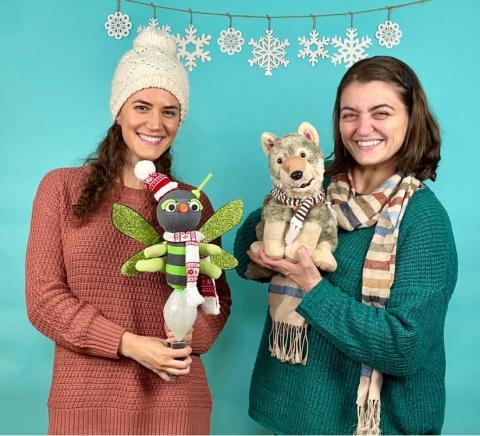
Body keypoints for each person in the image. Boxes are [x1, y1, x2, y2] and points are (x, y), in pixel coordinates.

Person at [234, 56, 457, 435]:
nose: (363, 128)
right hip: (295, 412)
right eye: (350, 114)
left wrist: (313, 288)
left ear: (410, 118)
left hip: (373, 423)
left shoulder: (423, 220)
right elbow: (242, 252)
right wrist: (263, 247)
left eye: (381, 113)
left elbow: (404, 347)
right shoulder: (318, 182)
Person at [25, 27, 231, 435]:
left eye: (169, 111)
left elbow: (217, 298)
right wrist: (130, 344)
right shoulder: (62, 188)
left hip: (177, 402)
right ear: (118, 110)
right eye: (142, 106)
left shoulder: (192, 204)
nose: (156, 123)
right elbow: (43, 299)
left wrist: (187, 337)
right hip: (86, 402)